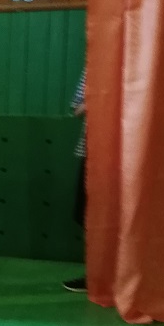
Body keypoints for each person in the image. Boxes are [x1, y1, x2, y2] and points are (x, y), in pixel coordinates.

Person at [63, 67, 87, 292]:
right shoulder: (93, 69)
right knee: (85, 213)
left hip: (130, 155)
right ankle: (97, 273)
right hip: (92, 152)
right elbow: (77, 109)